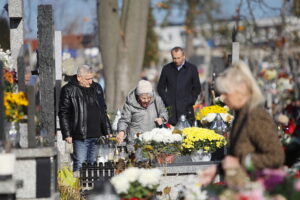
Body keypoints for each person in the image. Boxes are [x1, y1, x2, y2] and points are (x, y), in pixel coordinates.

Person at [200, 61, 285, 185]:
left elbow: (276, 156)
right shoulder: (241, 115)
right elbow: (235, 157)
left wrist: (242, 162)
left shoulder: (255, 115)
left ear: (241, 89)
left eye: (226, 92)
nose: (223, 98)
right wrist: (218, 169)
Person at [58, 65, 112, 174]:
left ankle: (91, 189)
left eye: (92, 78)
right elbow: (63, 113)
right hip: (80, 135)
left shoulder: (97, 88)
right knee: (80, 163)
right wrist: (67, 134)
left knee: (93, 164)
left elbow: (103, 110)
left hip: (97, 134)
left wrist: (107, 129)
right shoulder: (68, 90)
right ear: (79, 77)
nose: (91, 81)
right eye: (88, 79)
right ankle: (78, 189)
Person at [157, 46, 201, 125]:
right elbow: (160, 87)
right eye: (174, 58)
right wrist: (166, 100)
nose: (176, 60)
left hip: (187, 108)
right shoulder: (166, 69)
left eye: (178, 58)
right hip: (171, 109)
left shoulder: (192, 69)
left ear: (184, 56)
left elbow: (197, 88)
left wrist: (191, 100)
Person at [116, 80, 168, 145]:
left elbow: (164, 112)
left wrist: (162, 118)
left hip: (153, 141)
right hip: (135, 143)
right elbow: (124, 120)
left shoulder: (157, 100)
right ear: (138, 96)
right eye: (143, 98)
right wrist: (121, 132)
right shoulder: (130, 104)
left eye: (149, 98)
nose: (146, 100)